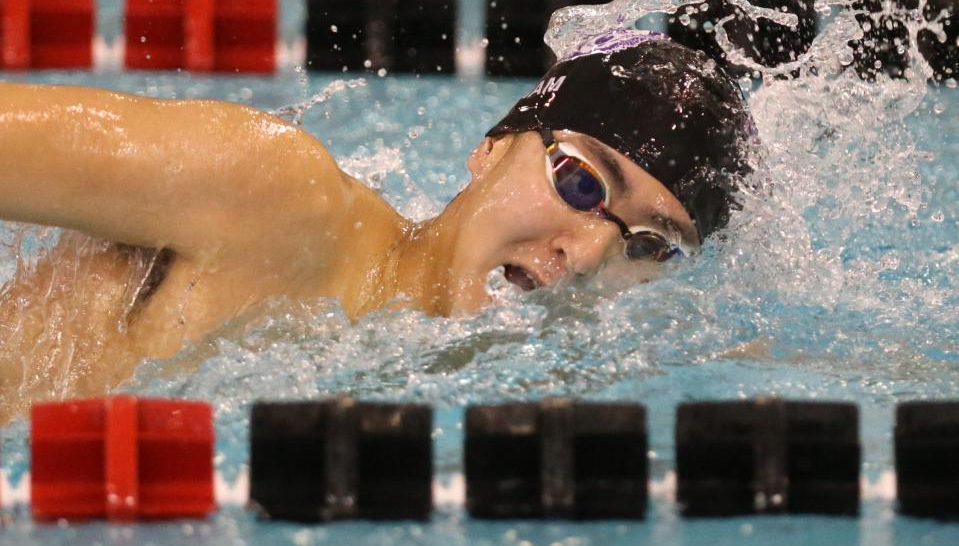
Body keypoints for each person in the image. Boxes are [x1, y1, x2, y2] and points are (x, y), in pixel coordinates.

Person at [0, 29, 754, 419]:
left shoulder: (558, 385)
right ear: (489, 150)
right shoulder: (269, 197)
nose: (589, 251)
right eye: (580, 182)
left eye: (648, 244)